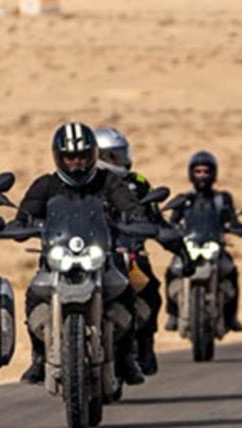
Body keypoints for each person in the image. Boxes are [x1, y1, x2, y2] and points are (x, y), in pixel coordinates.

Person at [15, 122, 148, 387]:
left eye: (82, 156)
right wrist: (21, 224)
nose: (76, 163)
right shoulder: (46, 184)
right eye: (69, 157)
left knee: (127, 292)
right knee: (32, 295)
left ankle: (125, 356)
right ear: (58, 157)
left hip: (102, 257)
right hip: (57, 261)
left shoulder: (107, 181)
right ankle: (39, 356)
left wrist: (133, 219)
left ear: (93, 155)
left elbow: (130, 206)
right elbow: (25, 212)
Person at [94, 127, 174, 376]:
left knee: (150, 290)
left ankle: (146, 345)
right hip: (91, 250)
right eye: (115, 156)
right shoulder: (85, 182)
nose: (122, 160)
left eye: (121, 155)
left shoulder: (137, 182)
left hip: (130, 250)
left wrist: (168, 236)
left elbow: (153, 214)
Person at [163, 150, 242, 335]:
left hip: (214, 248)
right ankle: (172, 314)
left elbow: (232, 220)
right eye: (198, 171)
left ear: (214, 174)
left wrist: (239, 228)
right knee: (171, 271)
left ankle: (231, 317)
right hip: (189, 247)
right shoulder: (183, 200)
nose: (202, 175)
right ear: (191, 173)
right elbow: (172, 222)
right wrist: (167, 232)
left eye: (206, 171)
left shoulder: (222, 199)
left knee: (231, 271)